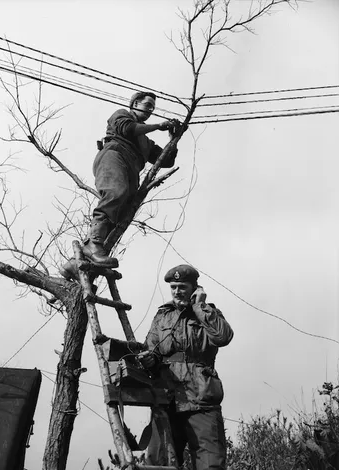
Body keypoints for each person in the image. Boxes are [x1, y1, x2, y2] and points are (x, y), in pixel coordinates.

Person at [60, 92, 178, 279]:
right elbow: (128, 129)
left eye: (152, 108)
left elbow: (166, 160)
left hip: (132, 169)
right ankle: (94, 245)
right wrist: (158, 126)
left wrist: (174, 138)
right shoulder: (122, 114)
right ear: (135, 103)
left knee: (122, 214)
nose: (150, 110)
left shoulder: (145, 142)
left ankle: (75, 263)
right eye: (147, 105)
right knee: (116, 193)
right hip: (114, 156)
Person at [138, 264, 234, 470]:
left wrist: (200, 307)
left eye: (182, 286)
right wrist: (149, 360)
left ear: (195, 288)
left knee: (210, 463)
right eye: (173, 287)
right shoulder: (163, 316)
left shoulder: (208, 313)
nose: (177, 292)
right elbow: (153, 350)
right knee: (159, 463)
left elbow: (223, 337)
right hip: (167, 398)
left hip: (201, 399)